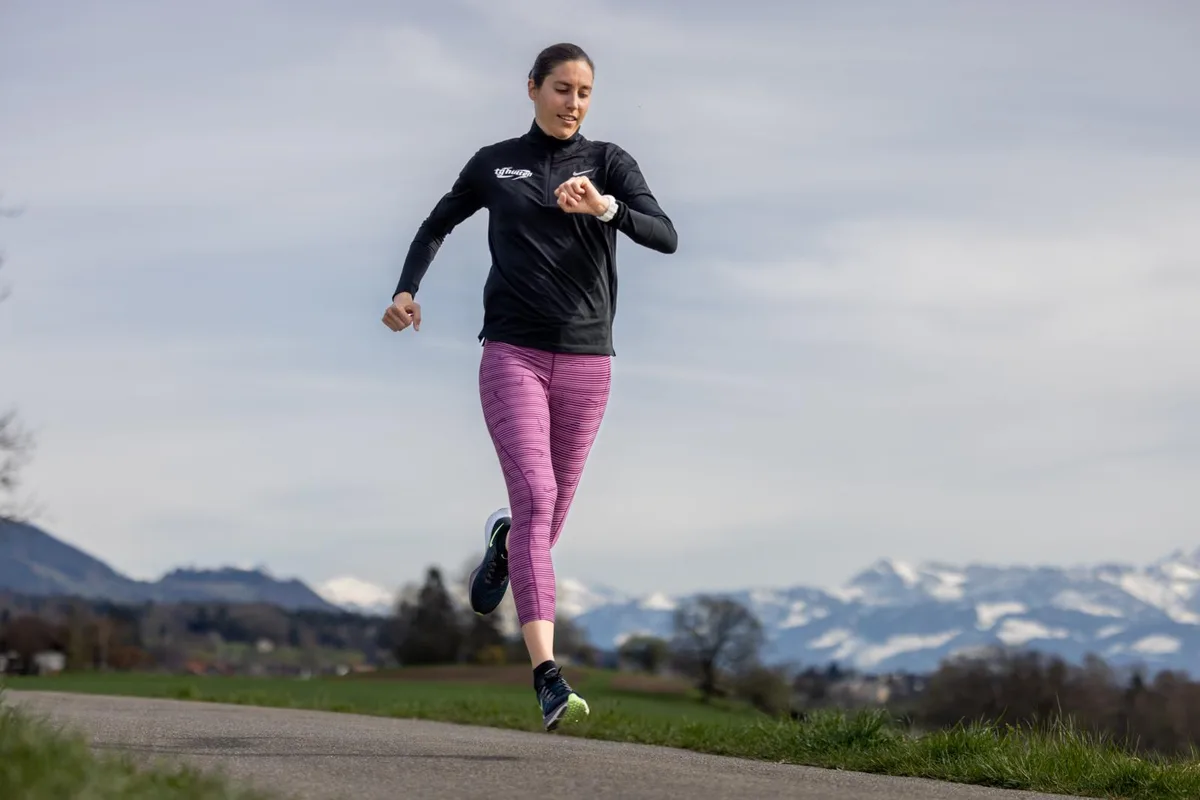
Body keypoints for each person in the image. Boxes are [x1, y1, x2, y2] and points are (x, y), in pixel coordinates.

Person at [381, 42, 677, 731]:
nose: (573, 103)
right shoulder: (494, 164)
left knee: (547, 522)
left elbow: (665, 236)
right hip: (512, 352)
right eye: (562, 88)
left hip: (588, 361)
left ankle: (505, 542)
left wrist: (605, 209)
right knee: (539, 498)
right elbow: (435, 225)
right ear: (533, 88)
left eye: (585, 92)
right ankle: (547, 675)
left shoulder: (610, 164)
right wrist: (405, 291)